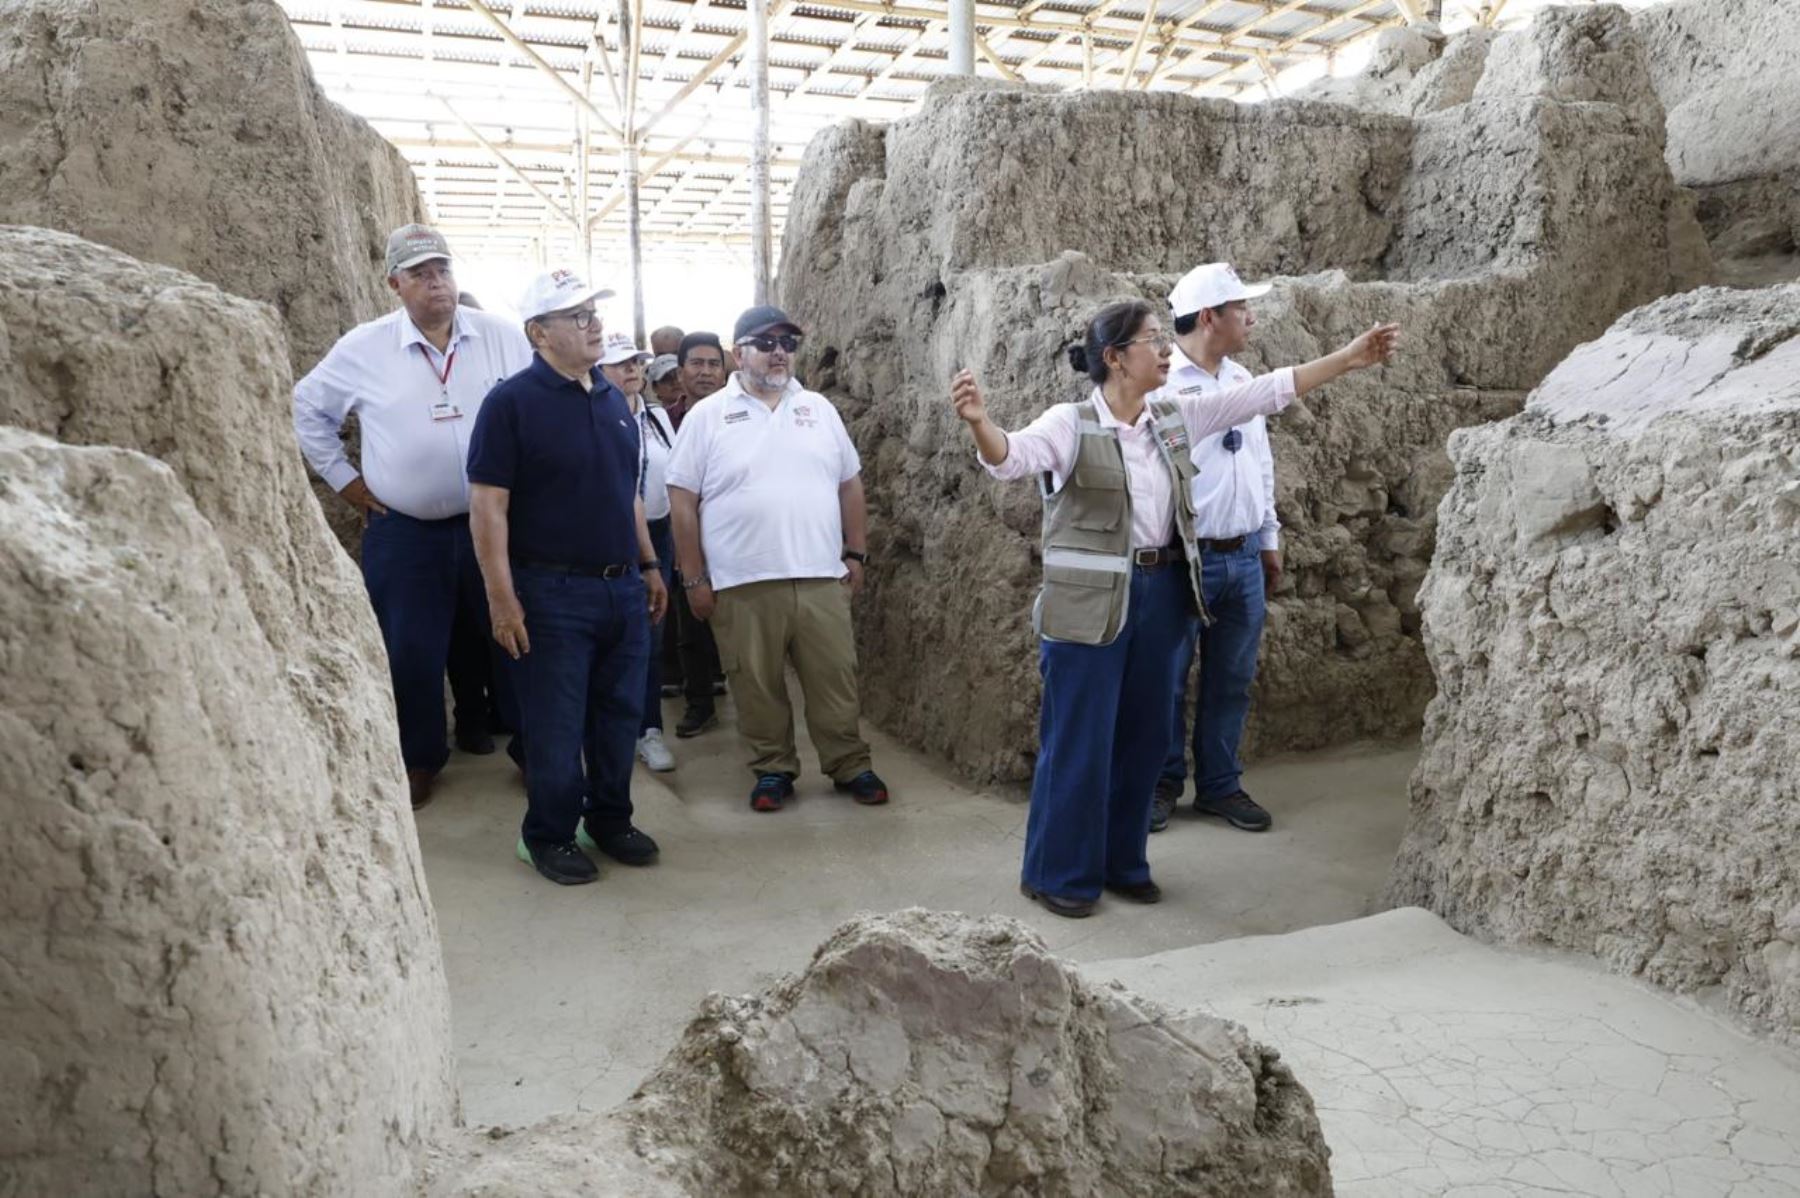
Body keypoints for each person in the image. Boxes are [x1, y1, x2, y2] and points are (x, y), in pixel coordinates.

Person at [949, 300, 1398, 918]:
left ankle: (1122, 863)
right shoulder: (1070, 422)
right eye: (1151, 342)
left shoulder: (1171, 416)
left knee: (1145, 735)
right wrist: (979, 423)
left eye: (1164, 339)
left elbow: (1262, 394)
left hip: (1162, 595)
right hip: (1089, 605)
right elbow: (1010, 458)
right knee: (1079, 738)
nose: (1165, 351)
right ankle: (1059, 874)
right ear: (1113, 358)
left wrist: (1347, 360)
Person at [292, 223, 531, 809]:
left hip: (495, 527)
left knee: (520, 639)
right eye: (420, 274)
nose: (436, 283)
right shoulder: (363, 348)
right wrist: (347, 483)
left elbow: (544, 405)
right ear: (394, 282)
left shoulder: (503, 338)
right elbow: (306, 408)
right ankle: (418, 758)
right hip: (405, 532)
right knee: (409, 651)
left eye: (443, 270)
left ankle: (536, 749)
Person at [466, 268, 669, 886]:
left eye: (593, 313)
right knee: (555, 723)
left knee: (618, 715)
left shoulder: (611, 398)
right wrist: (502, 598)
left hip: (621, 589)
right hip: (550, 592)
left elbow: (626, 493)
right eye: (576, 316)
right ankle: (548, 833)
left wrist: (649, 564)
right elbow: (487, 505)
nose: (594, 325)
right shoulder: (510, 404)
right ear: (539, 333)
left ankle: (609, 818)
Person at [667, 305, 890, 813]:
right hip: (741, 580)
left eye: (787, 344)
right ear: (737, 352)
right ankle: (773, 770)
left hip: (818, 575)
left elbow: (849, 483)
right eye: (766, 344)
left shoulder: (818, 408)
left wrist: (856, 552)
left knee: (835, 678)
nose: (779, 354)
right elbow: (682, 500)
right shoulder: (708, 416)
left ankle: (850, 764)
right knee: (756, 683)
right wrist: (694, 577)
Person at [1152, 263, 1284, 835]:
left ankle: (1220, 785)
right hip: (1184, 558)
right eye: (1240, 309)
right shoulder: (1160, 385)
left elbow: (1260, 462)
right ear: (1209, 318)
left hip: (1243, 554)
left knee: (1231, 675)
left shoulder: (1240, 379)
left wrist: (1268, 536)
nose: (1250, 318)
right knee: (1166, 676)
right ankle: (1159, 783)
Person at [598, 331, 678, 773]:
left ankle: (648, 729)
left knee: (652, 634)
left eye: (635, 362)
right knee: (613, 637)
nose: (631, 369)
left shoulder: (657, 418)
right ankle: (610, 731)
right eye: (620, 363)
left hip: (659, 534)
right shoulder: (593, 417)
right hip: (610, 536)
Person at [667, 332, 730, 738]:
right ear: (680, 371)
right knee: (689, 622)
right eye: (697, 364)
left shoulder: (739, 415)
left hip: (732, 536)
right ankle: (699, 702)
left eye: (713, 364)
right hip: (683, 532)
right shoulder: (662, 420)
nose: (705, 372)